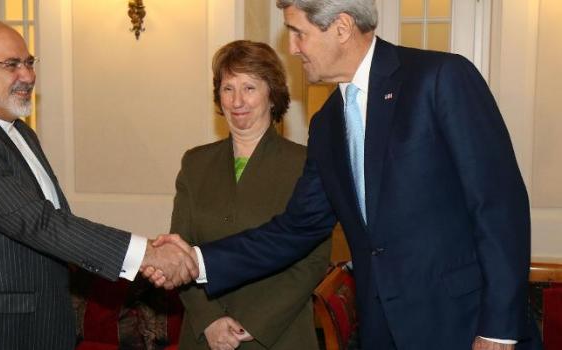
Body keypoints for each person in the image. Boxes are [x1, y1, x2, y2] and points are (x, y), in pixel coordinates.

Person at [148, 1, 542, 349]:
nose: (292, 48)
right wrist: (197, 262)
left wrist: (499, 330)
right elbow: (296, 229)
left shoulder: (440, 79)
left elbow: (499, 206)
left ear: (341, 26)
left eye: (298, 33)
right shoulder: (328, 124)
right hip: (380, 330)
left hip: (464, 326)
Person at [0, 17, 196, 350]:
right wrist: (144, 253)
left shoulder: (19, 132)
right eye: (12, 65)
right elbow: (37, 222)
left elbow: (53, 224)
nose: (28, 75)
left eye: (29, 62)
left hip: (39, 326)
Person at [171, 40, 331, 350]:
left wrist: (254, 324)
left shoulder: (306, 164)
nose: (237, 101)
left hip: (277, 336)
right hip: (204, 337)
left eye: (249, 88)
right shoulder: (194, 162)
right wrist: (209, 319)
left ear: (272, 94)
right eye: (228, 88)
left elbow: (313, 261)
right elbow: (180, 252)